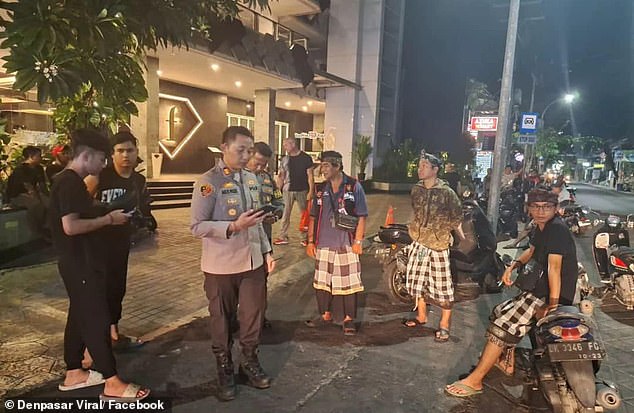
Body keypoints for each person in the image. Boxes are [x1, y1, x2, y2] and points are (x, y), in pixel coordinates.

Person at [445, 188, 577, 398]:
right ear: (529, 208)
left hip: (549, 293)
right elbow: (532, 251)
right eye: (536, 207)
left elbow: (555, 269)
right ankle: (506, 361)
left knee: (502, 325)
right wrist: (512, 266)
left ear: (555, 208)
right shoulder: (540, 226)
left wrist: (553, 304)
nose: (541, 211)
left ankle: (476, 380)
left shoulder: (557, 230)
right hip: (538, 288)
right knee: (499, 312)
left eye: (547, 207)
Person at [48, 128, 149, 401]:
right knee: (96, 319)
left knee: (80, 315)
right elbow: (70, 226)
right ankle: (111, 381)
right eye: (102, 158)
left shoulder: (70, 181)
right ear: (87, 155)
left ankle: (74, 373)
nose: (104, 165)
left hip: (79, 261)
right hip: (79, 262)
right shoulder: (69, 183)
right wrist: (108, 220)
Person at [191, 126, 275, 402]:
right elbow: (197, 226)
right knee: (222, 320)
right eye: (241, 149)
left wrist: (266, 252)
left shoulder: (252, 179)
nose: (246, 155)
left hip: (252, 262)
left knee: (253, 317)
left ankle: (248, 361)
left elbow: (258, 222)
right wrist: (232, 226)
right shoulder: (208, 182)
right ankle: (225, 368)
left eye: (249, 150)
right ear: (224, 147)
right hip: (221, 266)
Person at [85, 131, 147, 352]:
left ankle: (113, 333)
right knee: (97, 292)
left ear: (136, 152)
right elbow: (79, 203)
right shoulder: (99, 176)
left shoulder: (138, 180)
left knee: (116, 289)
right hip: (95, 244)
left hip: (120, 244)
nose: (125, 155)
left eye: (130, 150)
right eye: (120, 151)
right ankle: (93, 342)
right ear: (112, 155)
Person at [305, 151, 368, 335]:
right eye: (321, 165)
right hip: (323, 242)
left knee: (349, 282)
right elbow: (313, 217)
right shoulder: (319, 189)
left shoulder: (354, 186)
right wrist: (310, 241)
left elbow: (362, 216)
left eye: (325, 165)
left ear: (337, 166)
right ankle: (325, 314)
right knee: (322, 281)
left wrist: (358, 240)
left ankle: (349, 319)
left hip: (346, 242)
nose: (322, 169)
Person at [402, 151, 463, 343]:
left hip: (438, 245)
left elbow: (457, 216)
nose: (420, 170)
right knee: (417, 282)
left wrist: (458, 235)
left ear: (435, 170)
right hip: (419, 242)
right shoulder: (416, 189)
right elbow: (415, 210)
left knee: (442, 286)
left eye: (424, 166)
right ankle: (421, 316)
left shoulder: (447, 193)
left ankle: (444, 324)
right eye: (419, 166)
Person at [246, 141, 284, 328]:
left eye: (264, 164)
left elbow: (279, 200)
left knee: (261, 278)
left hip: (264, 239)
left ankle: (259, 317)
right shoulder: (237, 178)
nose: (260, 167)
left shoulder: (267, 178)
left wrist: (275, 214)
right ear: (249, 155)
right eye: (257, 162)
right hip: (241, 239)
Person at [273, 137, 314, 246]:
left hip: (302, 190)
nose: (284, 147)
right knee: (285, 214)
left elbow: (310, 176)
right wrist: (277, 192)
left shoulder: (306, 158)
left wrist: (311, 191)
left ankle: (304, 238)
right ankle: (282, 236)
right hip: (287, 190)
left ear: (293, 144)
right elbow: (281, 176)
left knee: (304, 215)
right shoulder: (285, 160)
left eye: (286, 145)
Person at [7, 145, 50, 238]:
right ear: (31, 156)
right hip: (18, 195)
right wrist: (36, 197)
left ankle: (47, 227)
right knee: (35, 205)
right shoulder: (21, 170)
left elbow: (42, 185)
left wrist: (47, 196)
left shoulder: (39, 169)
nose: (41, 158)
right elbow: (27, 186)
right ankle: (35, 231)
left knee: (49, 203)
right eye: (39, 156)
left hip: (33, 193)